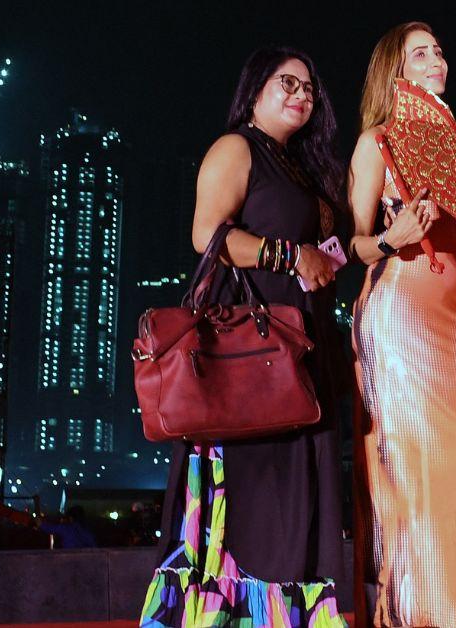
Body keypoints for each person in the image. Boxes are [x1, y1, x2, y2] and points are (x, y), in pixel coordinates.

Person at [140, 46, 347, 628]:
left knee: (295, 505)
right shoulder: (237, 147)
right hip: (251, 360)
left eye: (310, 88)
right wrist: (290, 255)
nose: (302, 95)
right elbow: (207, 234)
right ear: (255, 90)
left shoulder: (300, 167)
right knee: (252, 506)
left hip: (300, 353)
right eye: (288, 83)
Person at [348, 21, 456, 628]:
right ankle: (410, 615)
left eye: (439, 51)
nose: (436, 60)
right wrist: (389, 236)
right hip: (402, 320)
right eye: (420, 53)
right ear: (394, 72)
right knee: (416, 466)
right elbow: (352, 245)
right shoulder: (377, 142)